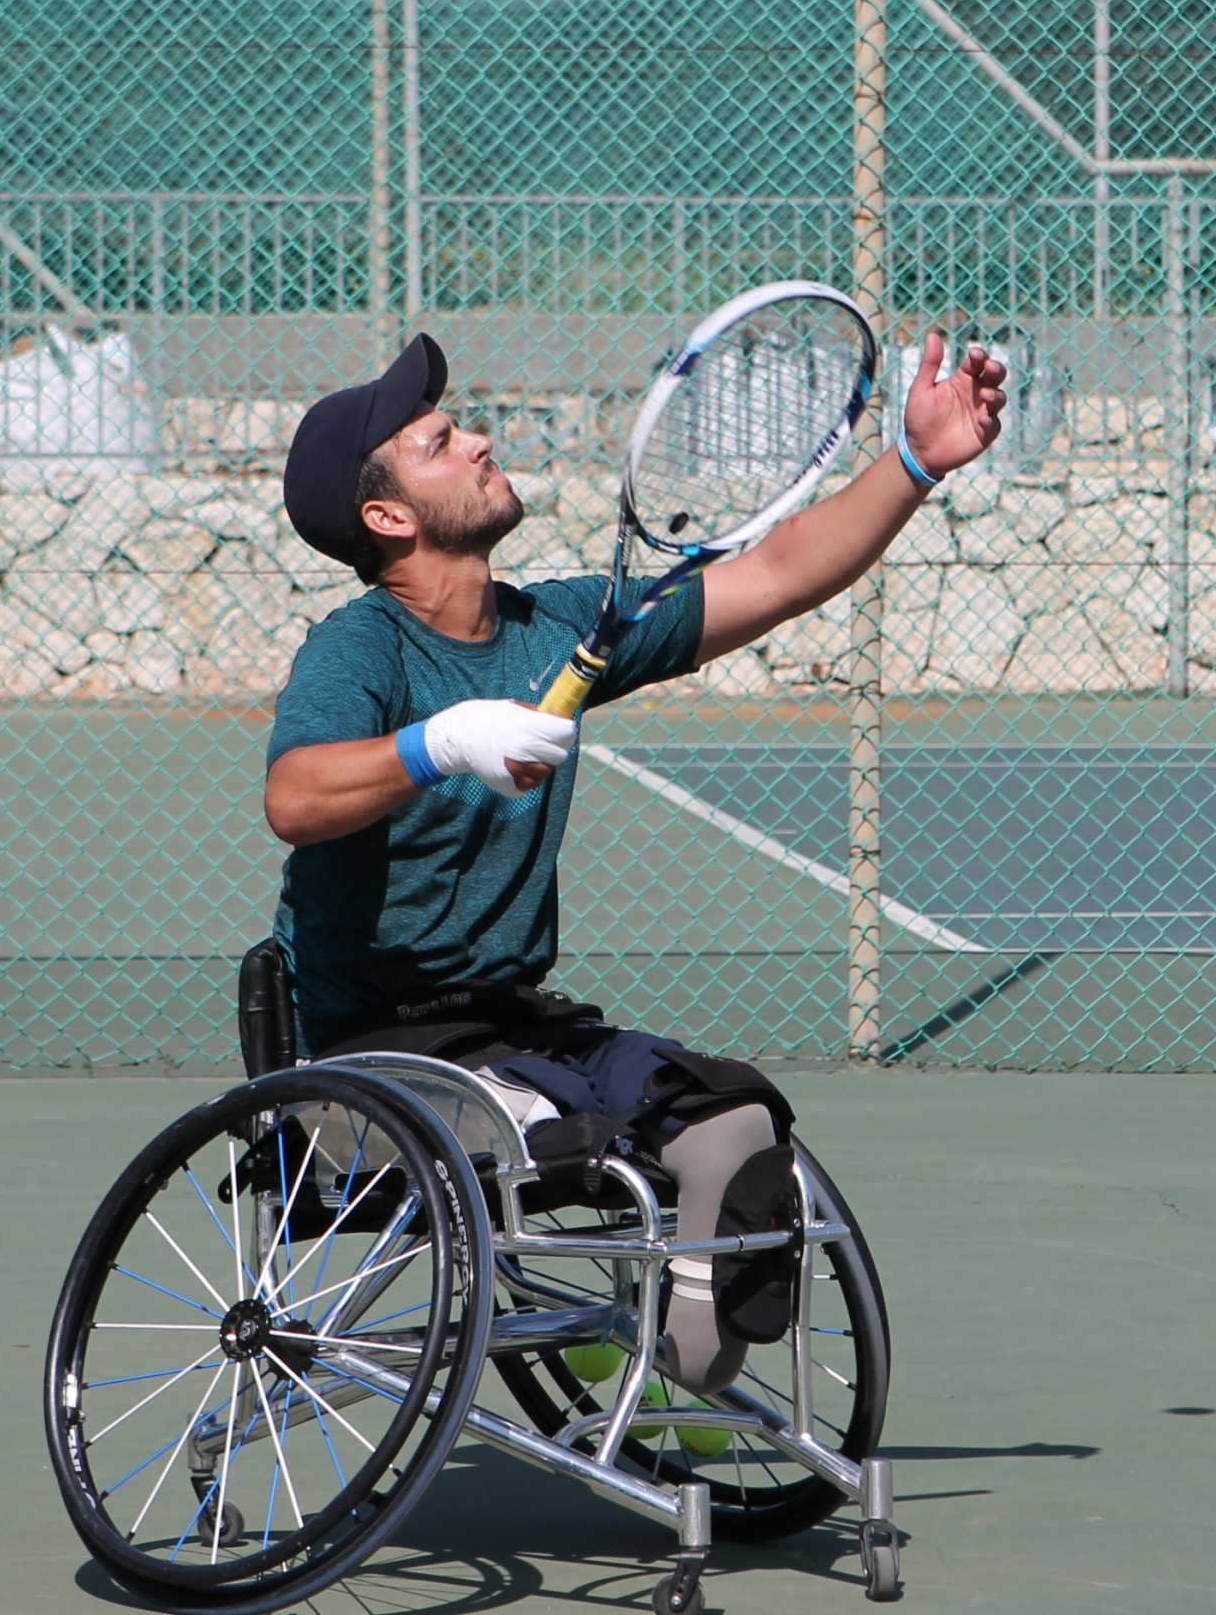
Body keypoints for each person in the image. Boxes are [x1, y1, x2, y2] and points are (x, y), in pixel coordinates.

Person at [267, 328, 1005, 1391]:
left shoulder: (559, 625)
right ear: (387, 514)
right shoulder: (361, 648)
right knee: (567, 1132)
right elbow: (293, 797)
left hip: (521, 1028)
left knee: (737, 1128)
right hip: (379, 1062)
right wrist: (444, 741)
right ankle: (630, 1378)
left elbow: (779, 572)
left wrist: (919, 459)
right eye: (441, 440)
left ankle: (675, 1383)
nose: (478, 440)